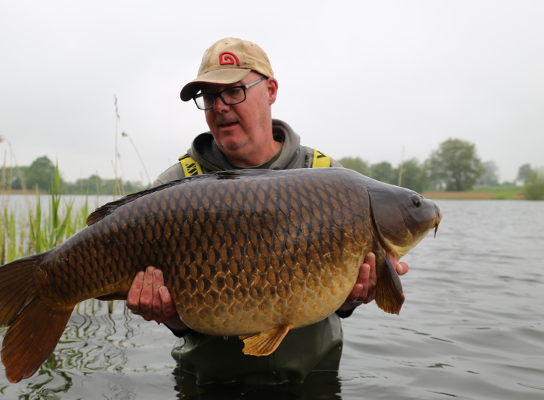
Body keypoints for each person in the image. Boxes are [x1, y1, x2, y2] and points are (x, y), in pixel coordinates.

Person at [126, 37, 409, 384]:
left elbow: (338, 302)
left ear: (271, 90)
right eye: (210, 97)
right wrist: (167, 314)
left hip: (314, 379)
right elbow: (177, 318)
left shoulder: (326, 177)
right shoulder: (174, 188)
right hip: (210, 385)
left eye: (234, 91)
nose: (220, 106)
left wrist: (353, 298)